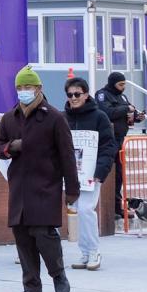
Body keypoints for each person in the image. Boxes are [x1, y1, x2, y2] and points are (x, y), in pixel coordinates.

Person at [0, 68, 79, 292]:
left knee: (43, 234)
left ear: (39, 89)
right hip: (19, 187)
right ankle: (31, 288)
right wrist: (10, 147)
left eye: (27, 87)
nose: (23, 92)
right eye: (19, 88)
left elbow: (67, 155)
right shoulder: (10, 118)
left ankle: (57, 274)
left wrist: (72, 189)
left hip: (45, 185)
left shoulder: (54, 117)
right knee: (22, 237)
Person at [62, 76, 116, 272]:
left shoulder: (99, 116)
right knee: (76, 210)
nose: (73, 98)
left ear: (86, 94)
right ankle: (85, 253)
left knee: (86, 209)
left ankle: (93, 251)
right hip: (70, 174)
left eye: (77, 94)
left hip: (91, 174)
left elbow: (109, 146)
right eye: (70, 95)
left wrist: (100, 171)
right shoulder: (64, 117)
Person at [93, 71, 141, 222]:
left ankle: (117, 206)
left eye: (124, 84)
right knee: (108, 173)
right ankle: (106, 208)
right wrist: (127, 109)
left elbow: (128, 113)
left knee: (119, 175)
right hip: (108, 140)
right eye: (120, 84)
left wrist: (137, 117)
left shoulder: (122, 97)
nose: (123, 87)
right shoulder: (102, 95)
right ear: (113, 83)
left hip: (121, 140)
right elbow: (107, 112)